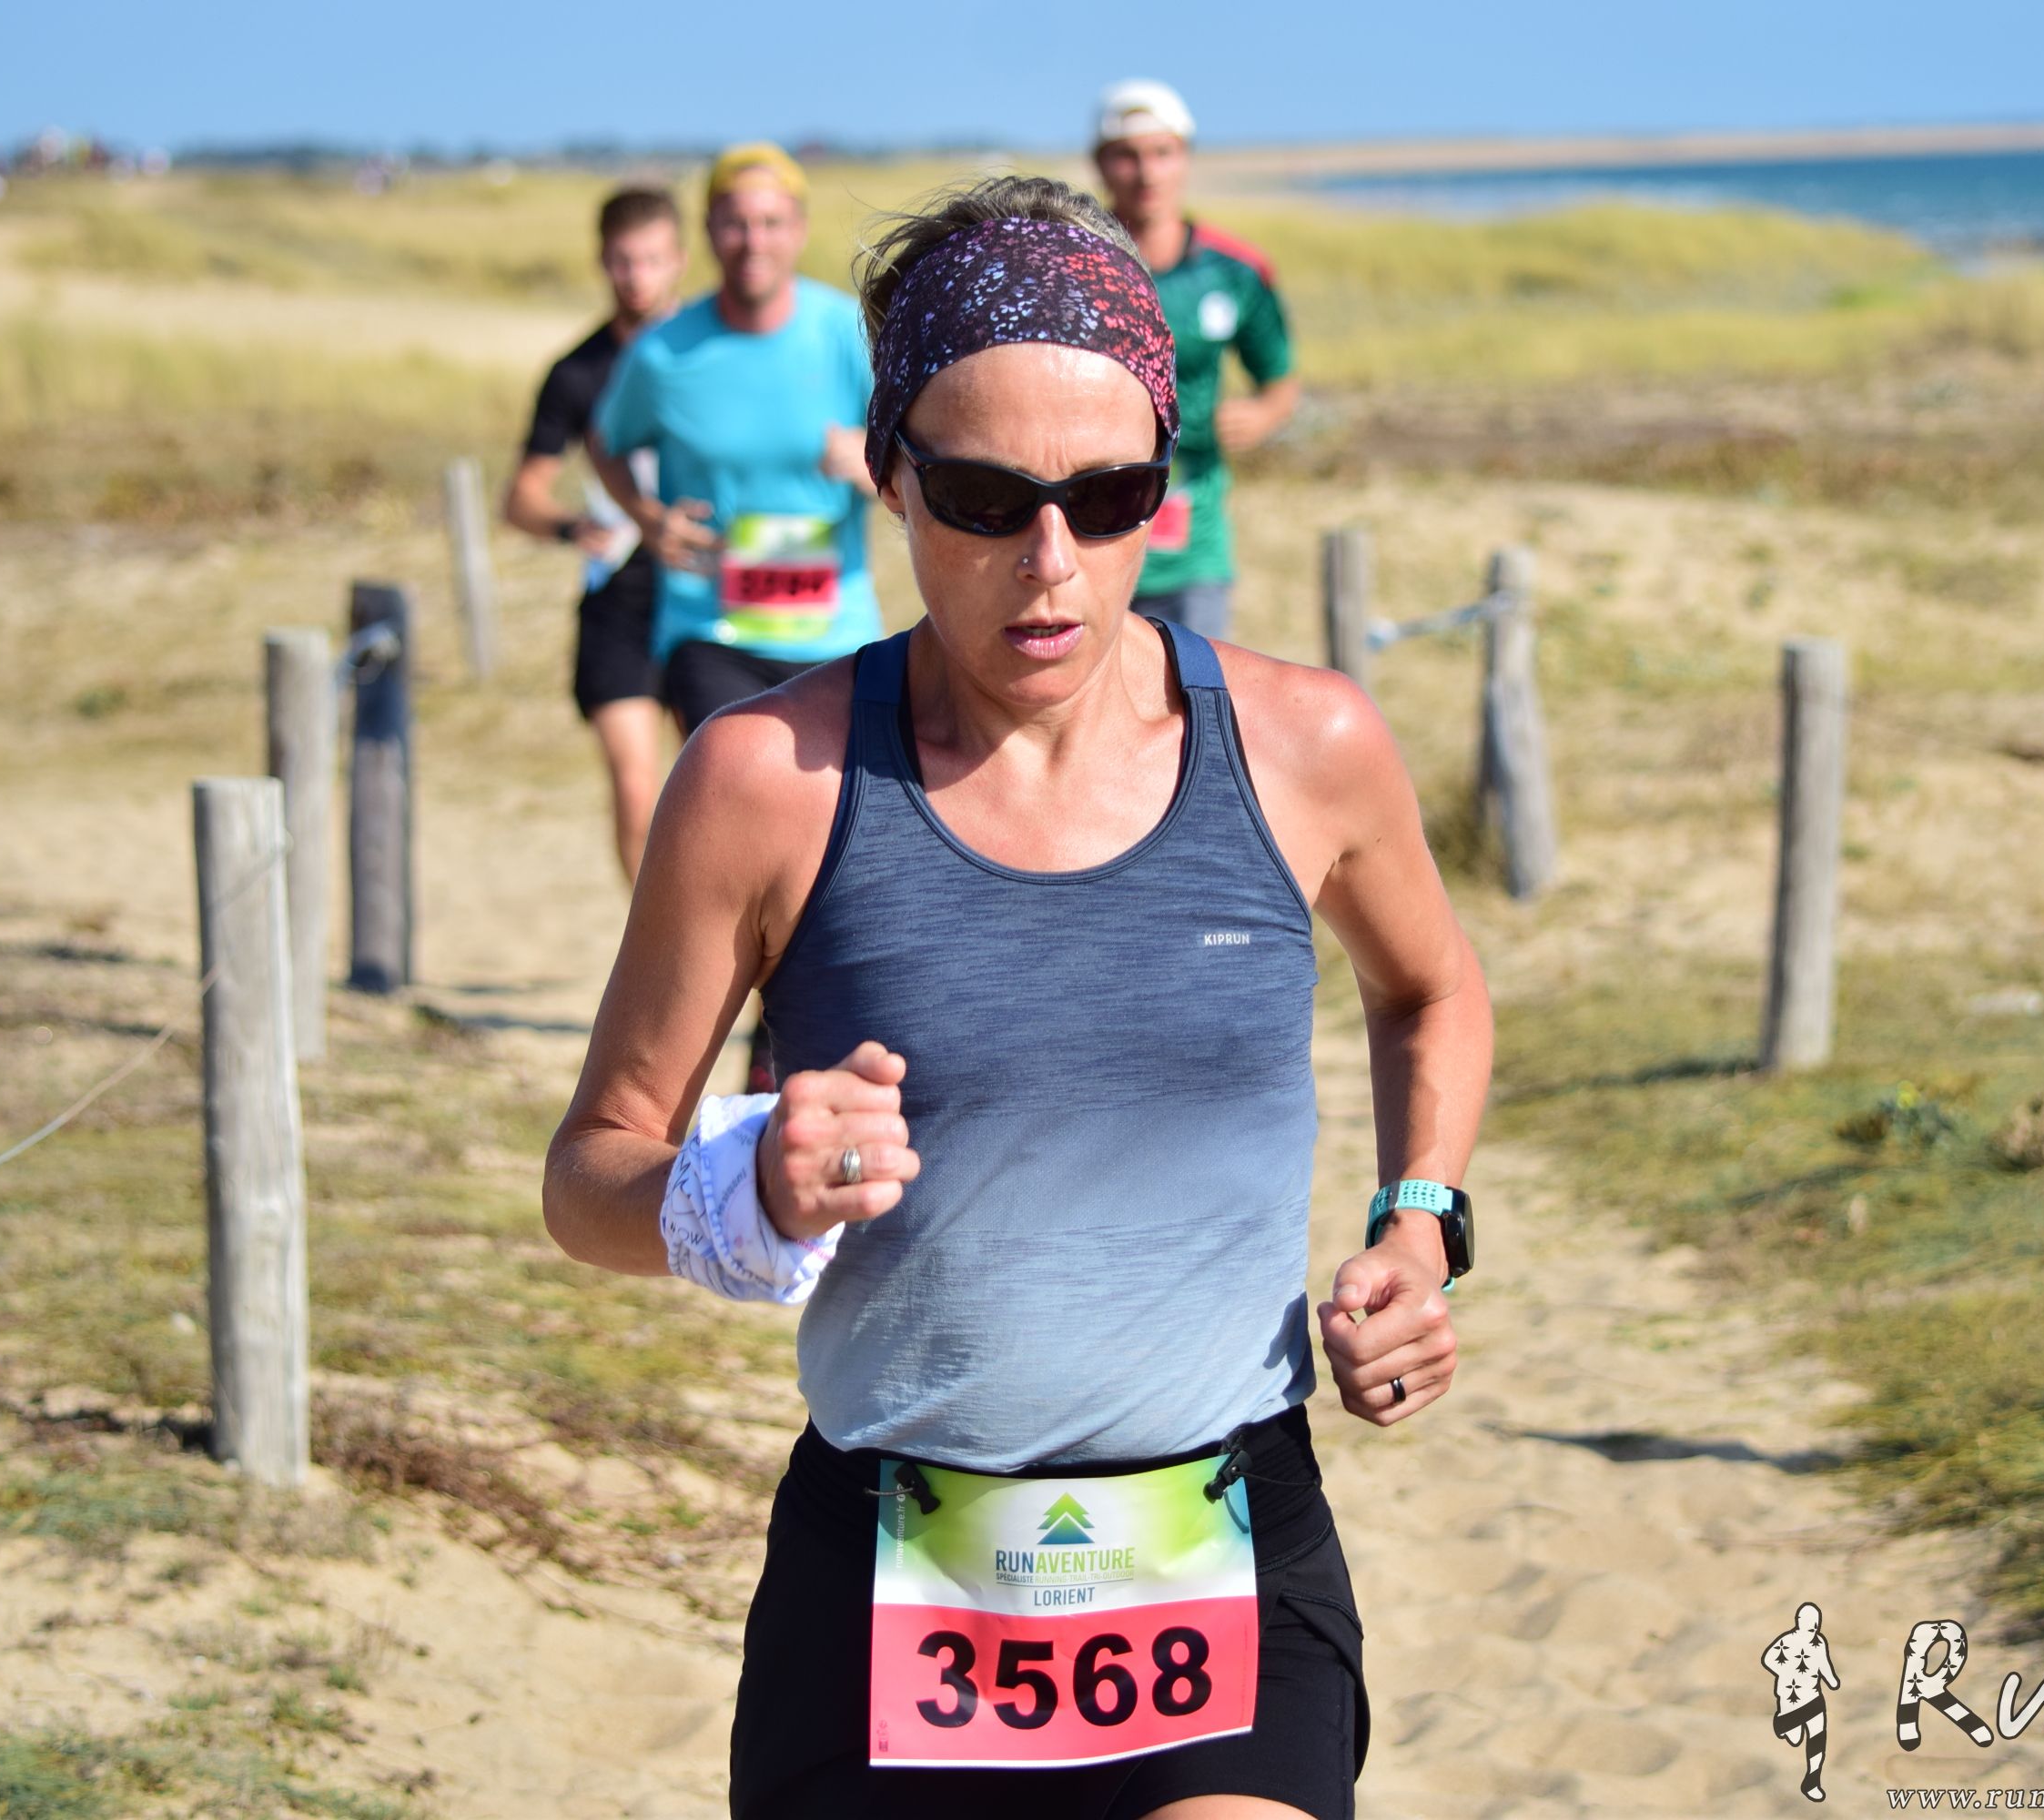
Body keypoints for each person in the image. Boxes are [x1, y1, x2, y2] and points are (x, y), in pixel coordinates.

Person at [544, 175, 1492, 1820]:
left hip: (1222, 1554)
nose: (1050, 566)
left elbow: (1430, 992)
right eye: (983, 500)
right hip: (888, 1567)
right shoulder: (765, 781)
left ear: (1162, 487)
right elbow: (588, 1177)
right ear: (888, 474)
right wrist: (742, 1187)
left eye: (1108, 497)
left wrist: (1418, 1227)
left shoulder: (1306, 747)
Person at [588, 142, 884, 741]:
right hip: (709, 631)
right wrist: (648, 519)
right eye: (735, 224)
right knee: (731, 787)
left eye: (771, 222)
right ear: (708, 231)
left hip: (835, 633)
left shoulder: (848, 334)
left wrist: (876, 464)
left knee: (839, 802)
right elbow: (605, 442)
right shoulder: (662, 352)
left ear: (799, 230)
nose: (753, 241)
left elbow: (924, 454)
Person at [503, 186, 689, 887]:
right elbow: (520, 497)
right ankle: (657, 945)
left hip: (707, 589)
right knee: (636, 791)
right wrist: (571, 526)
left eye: (651, 260)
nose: (636, 277)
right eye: (622, 261)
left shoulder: (715, 351)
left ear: (680, 259)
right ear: (602, 262)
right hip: (620, 594)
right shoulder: (575, 373)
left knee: (719, 788)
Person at [1092, 79, 1300, 643]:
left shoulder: (1235, 272)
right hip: (1090, 537)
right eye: (1128, 155)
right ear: (1101, 163)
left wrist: (1263, 414)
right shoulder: (1075, 264)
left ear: (1185, 157)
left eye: (1163, 153)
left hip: (1194, 543)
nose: (1147, 173)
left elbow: (1280, 382)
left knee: (1194, 686)